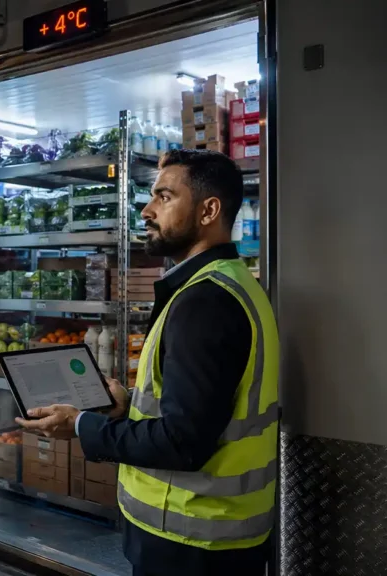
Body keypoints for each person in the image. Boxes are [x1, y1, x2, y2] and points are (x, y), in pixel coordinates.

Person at [16, 149, 278, 576]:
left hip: (190, 540)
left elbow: (182, 442)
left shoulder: (205, 301)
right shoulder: (230, 284)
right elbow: (207, 410)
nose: (146, 209)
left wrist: (83, 425)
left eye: (164, 196)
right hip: (216, 536)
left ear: (209, 210)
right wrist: (130, 404)